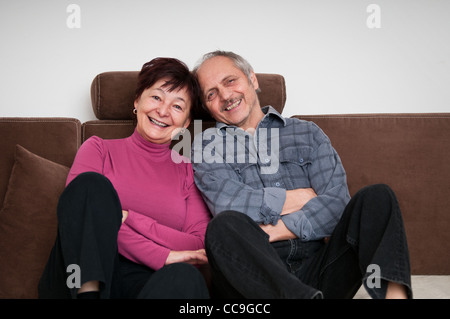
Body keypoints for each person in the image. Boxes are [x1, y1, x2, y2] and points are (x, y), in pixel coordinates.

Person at [191, 50, 412, 299]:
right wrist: (300, 198)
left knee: (377, 197)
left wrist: (274, 230)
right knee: (223, 226)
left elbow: (337, 205)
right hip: (254, 279)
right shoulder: (205, 146)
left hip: (321, 270)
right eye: (211, 93)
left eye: (230, 81)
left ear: (252, 79)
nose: (225, 95)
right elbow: (230, 205)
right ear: (206, 106)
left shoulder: (307, 133)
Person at [38, 57, 212, 299]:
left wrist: (128, 218)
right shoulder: (98, 149)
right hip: (80, 279)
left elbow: (196, 245)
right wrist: (161, 254)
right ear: (137, 101)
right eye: (156, 97)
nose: (162, 111)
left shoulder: (188, 171)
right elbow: (79, 221)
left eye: (177, 106)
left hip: (146, 285)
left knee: (186, 277)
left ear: (186, 122)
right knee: (90, 186)